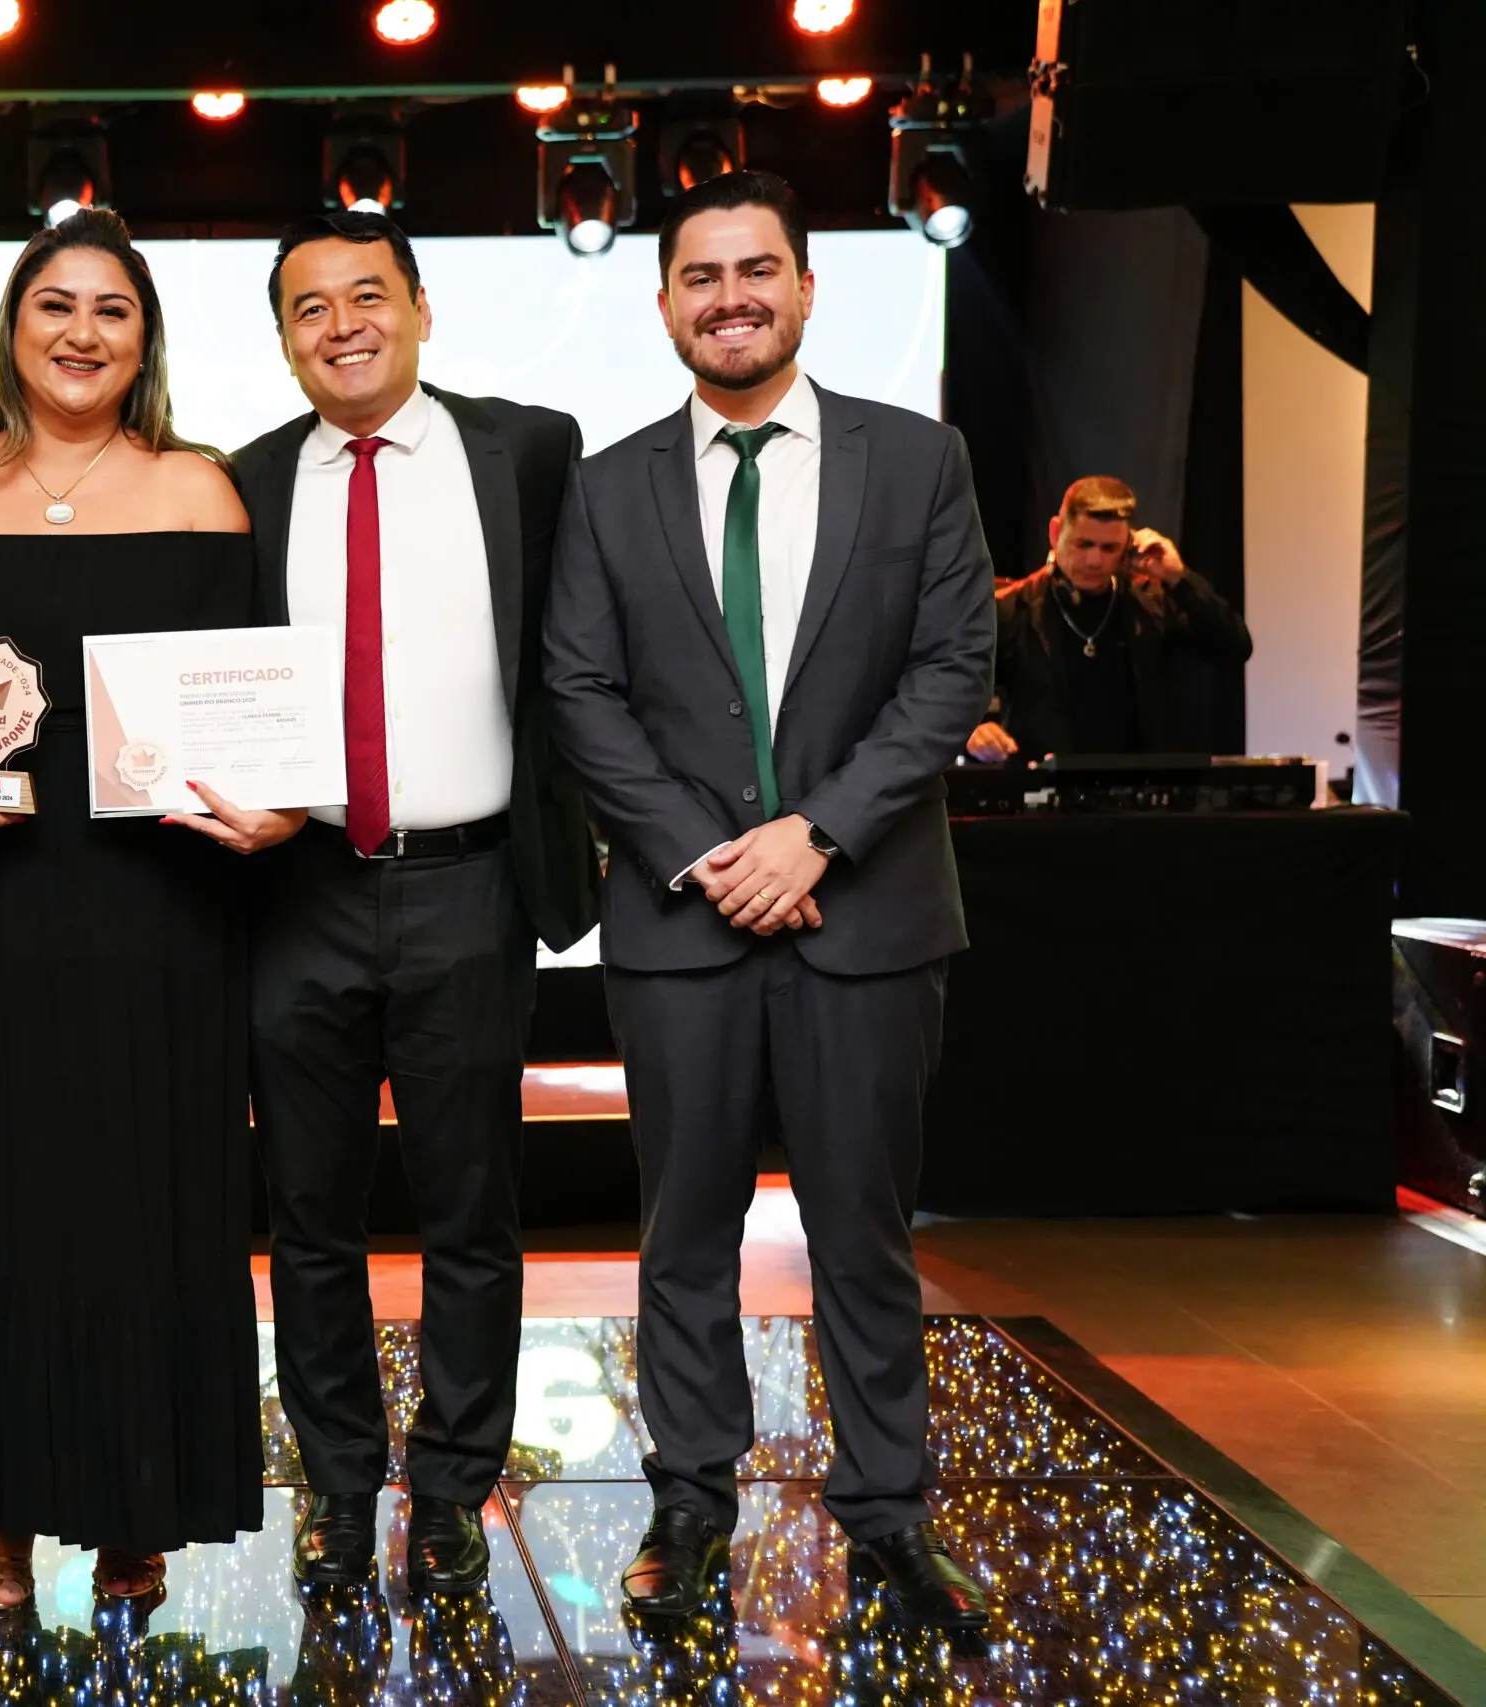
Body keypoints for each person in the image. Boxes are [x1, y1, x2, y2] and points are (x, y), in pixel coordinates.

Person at [541, 169, 995, 1631]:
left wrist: (818, 836)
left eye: (755, 271)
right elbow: (580, 691)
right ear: (664, 301)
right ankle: (688, 1505)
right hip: (682, 923)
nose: (729, 297)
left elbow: (951, 673)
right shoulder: (605, 485)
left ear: (805, 287)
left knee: (866, 1230)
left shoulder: (917, 459)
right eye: (701, 275)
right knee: (683, 1233)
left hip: (869, 913)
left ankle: (889, 1517)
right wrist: (715, 852)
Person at [0, 209, 274, 1608]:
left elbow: (247, 693)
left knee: (152, 1189)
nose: (82, 332)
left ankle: (137, 1504)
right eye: (55, 305)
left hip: (163, 896)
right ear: (14, 327)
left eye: (112, 310)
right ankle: (5, 1511)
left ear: (145, 340)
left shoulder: (199, 491)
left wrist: (271, 803)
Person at [223, 211, 600, 1594]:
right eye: (309, 307)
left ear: (421, 307)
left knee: (470, 1213)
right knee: (308, 1216)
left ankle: (449, 1487)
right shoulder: (247, 481)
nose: (342, 326)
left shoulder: (531, 452)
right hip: (300, 888)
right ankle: (337, 1485)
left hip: (471, 883)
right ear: (284, 339)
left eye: (366, 295)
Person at [964, 475, 1253, 762]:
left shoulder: (1150, 603)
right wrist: (973, 730)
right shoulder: (1012, 610)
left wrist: (1179, 578)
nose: (1094, 560)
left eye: (1109, 548)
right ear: (1055, 533)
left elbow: (1235, 647)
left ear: (1128, 545)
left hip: (1139, 783)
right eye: (1083, 544)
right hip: (1042, 784)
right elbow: (952, 690)